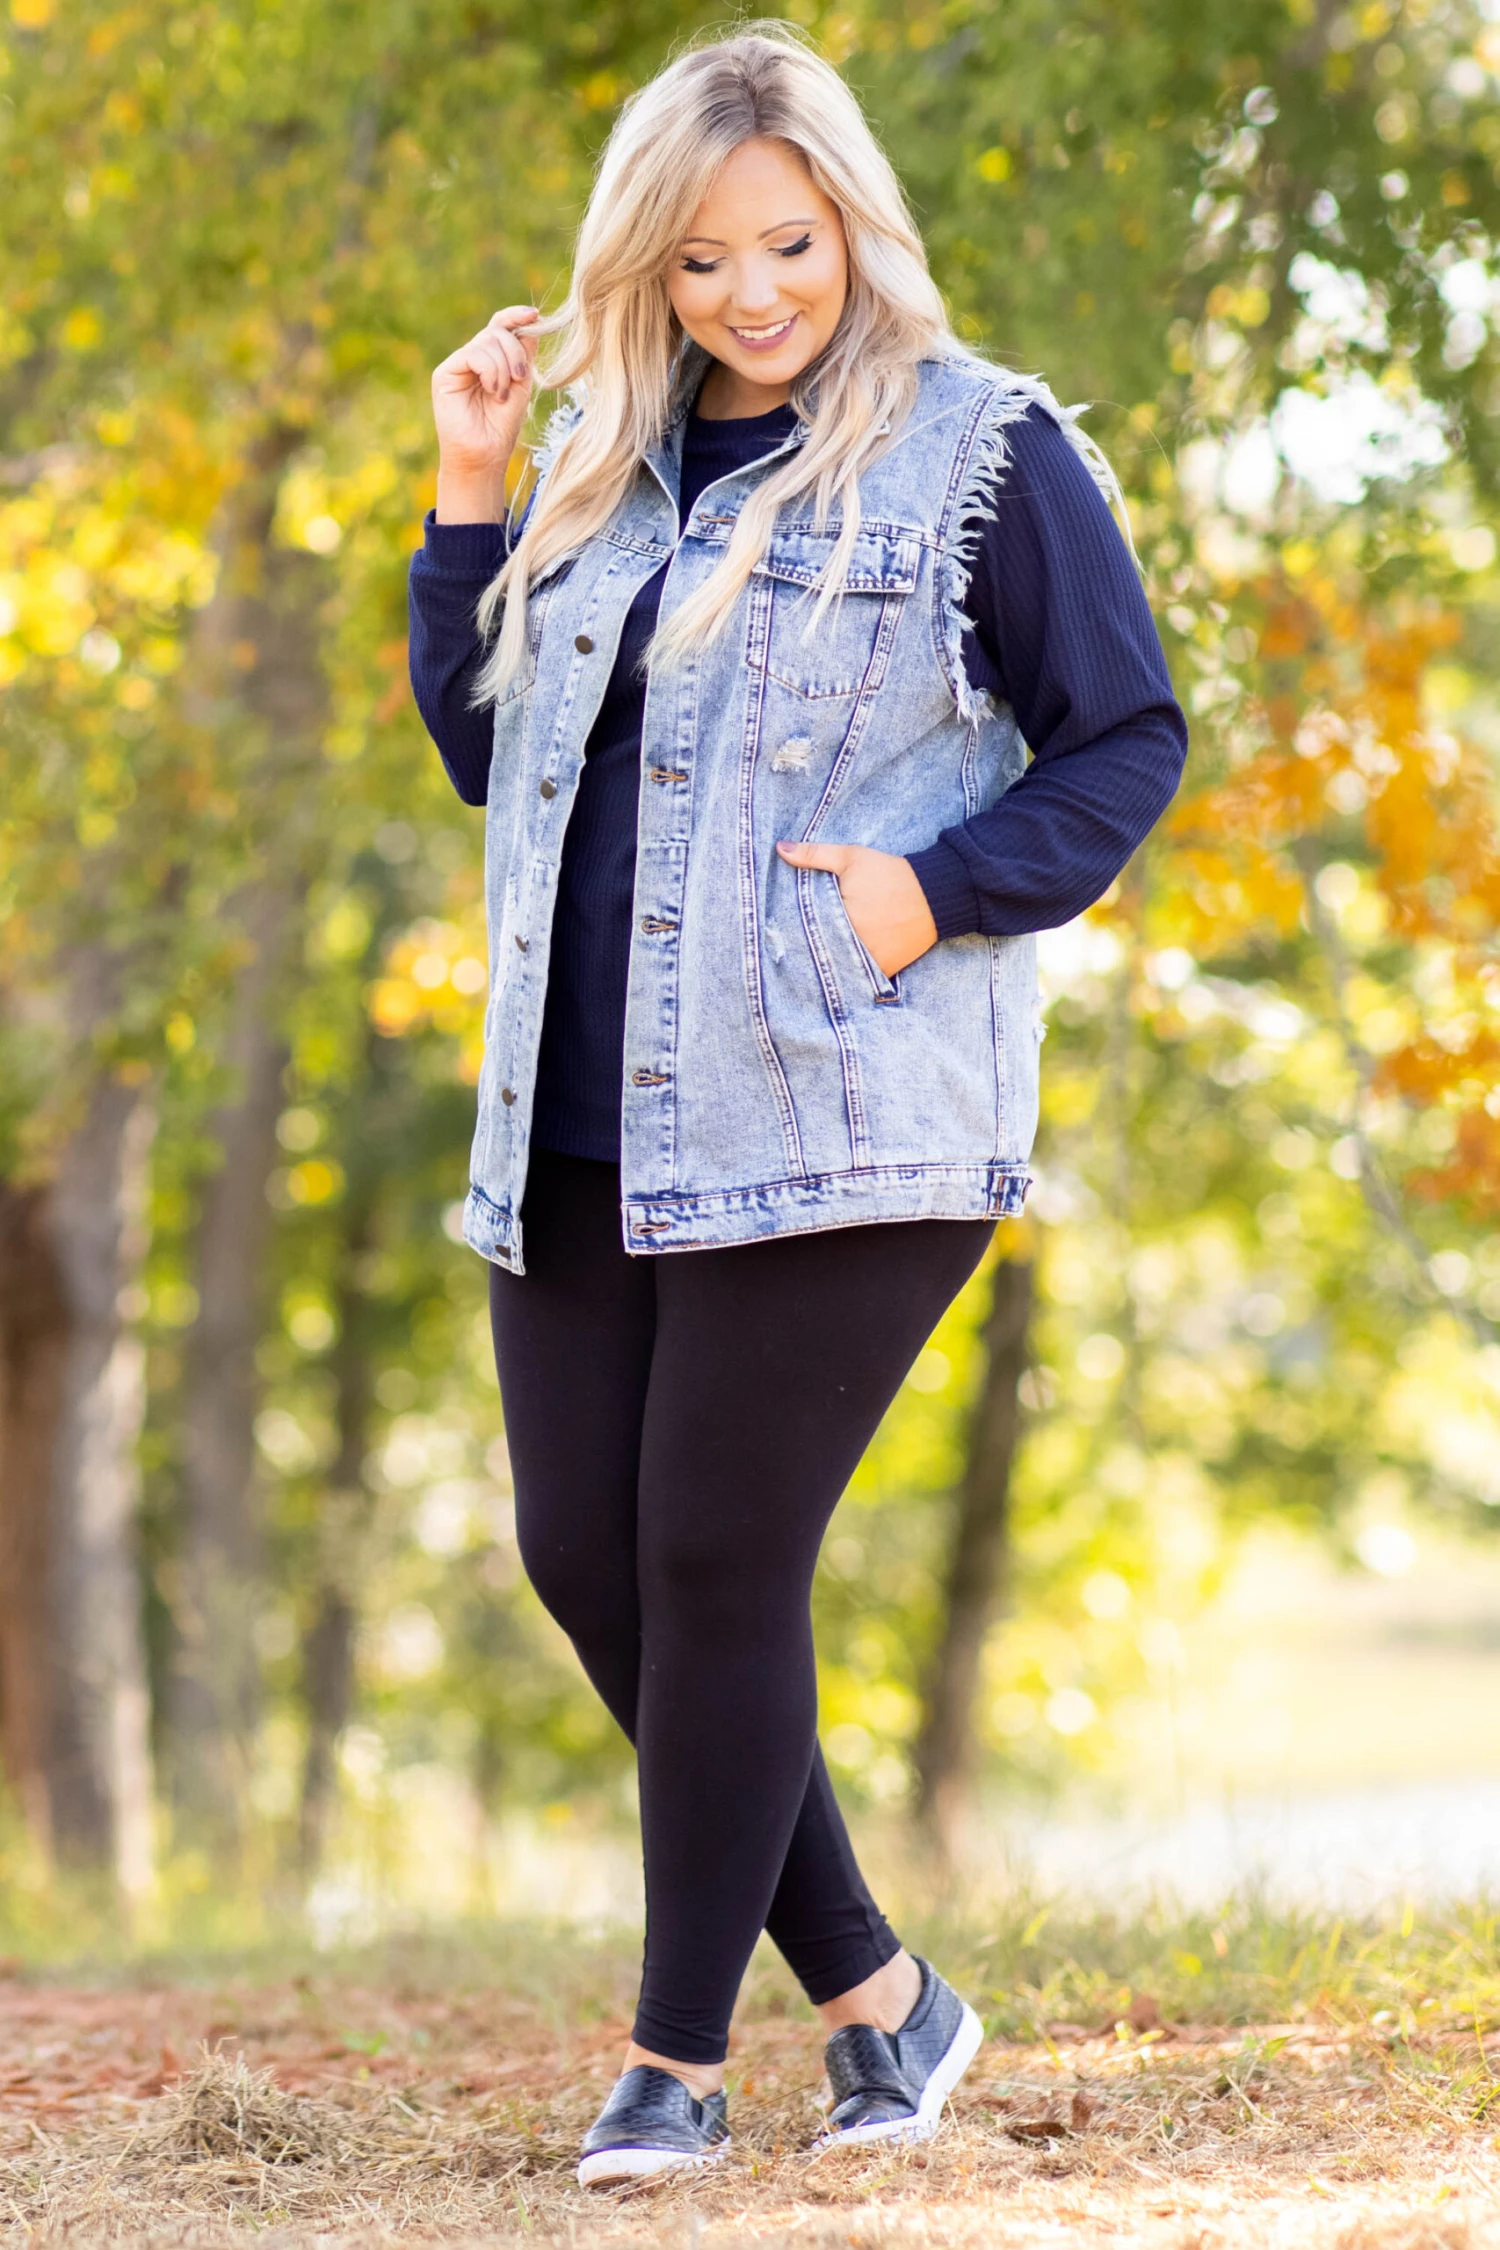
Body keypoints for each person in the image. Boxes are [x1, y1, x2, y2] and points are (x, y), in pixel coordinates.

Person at [409, 23, 1186, 2190]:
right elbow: (495, 766)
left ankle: (674, 2067)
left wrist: (935, 894)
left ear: (850, 218)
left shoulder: (981, 453)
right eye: (702, 261)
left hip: (847, 1096)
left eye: (789, 243)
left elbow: (1124, 739)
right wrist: (470, 499)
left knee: (721, 1548)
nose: (754, 295)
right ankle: (886, 2003)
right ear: (641, 270)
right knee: (594, 1559)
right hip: (575, 1118)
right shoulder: (594, 452)